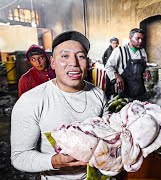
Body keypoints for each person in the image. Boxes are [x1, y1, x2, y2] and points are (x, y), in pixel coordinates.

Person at [11, 31, 109, 179]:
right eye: (64, 56)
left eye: (80, 56)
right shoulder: (31, 101)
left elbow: (108, 138)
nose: (74, 63)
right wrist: (55, 161)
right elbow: (20, 157)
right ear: (52, 63)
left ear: (87, 62)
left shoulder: (99, 94)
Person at [105, 28, 151, 99]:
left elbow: (145, 65)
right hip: (125, 90)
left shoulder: (142, 51)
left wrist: (146, 70)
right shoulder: (120, 51)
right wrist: (117, 76)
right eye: (137, 38)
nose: (140, 41)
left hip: (140, 89)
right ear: (130, 38)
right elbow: (108, 66)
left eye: (142, 39)